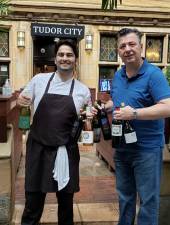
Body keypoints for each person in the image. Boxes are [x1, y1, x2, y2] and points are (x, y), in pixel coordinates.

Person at [17, 39, 92, 225]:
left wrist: (89, 118)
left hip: (66, 151)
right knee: (33, 204)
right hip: (38, 150)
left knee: (66, 206)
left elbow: (88, 125)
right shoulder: (39, 80)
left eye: (69, 55)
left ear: (75, 59)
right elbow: (22, 103)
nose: (64, 58)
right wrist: (20, 102)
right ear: (55, 58)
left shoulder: (83, 91)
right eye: (61, 54)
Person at [104, 28, 170, 225]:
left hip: (147, 150)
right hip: (122, 148)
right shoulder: (118, 75)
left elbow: (167, 107)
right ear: (118, 51)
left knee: (148, 201)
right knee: (125, 197)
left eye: (132, 44)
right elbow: (119, 100)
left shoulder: (153, 75)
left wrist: (134, 114)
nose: (127, 49)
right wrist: (107, 107)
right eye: (123, 46)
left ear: (141, 46)